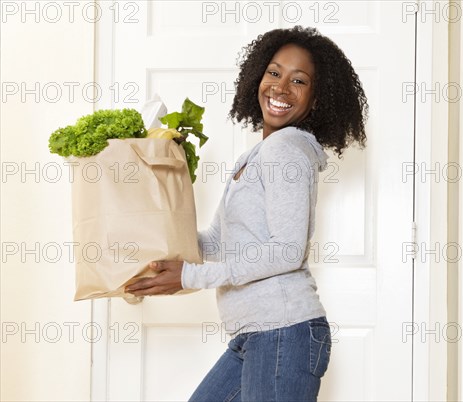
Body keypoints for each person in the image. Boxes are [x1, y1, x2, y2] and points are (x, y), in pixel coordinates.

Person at [126, 25, 368, 401]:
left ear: (317, 99)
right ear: (258, 75)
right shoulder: (254, 156)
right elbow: (218, 240)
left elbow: (287, 250)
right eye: (274, 73)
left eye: (299, 81)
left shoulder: (285, 150)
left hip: (282, 333)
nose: (281, 87)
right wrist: (155, 240)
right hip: (256, 335)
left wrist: (189, 276)